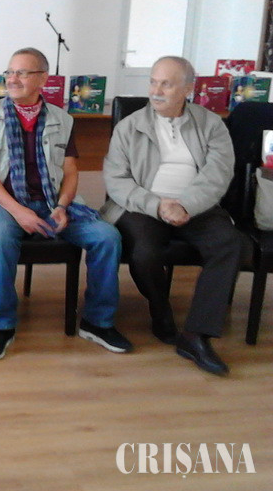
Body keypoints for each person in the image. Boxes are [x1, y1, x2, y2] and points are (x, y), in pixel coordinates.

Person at [0, 48, 133, 360]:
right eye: (10, 72)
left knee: (107, 237)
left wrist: (62, 206)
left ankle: (98, 322)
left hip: (52, 202)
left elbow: (71, 172)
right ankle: (3, 324)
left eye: (22, 73)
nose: (12, 79)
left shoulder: (62, 119)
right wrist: (19, 212)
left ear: (43, 79)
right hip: (3, 204)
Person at [101, 56, 242, 376]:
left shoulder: (211, 124)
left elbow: (219, 174)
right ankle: (160, 308)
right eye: (153, 82)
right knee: (145, 252)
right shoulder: (129, 127)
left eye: (166, 84)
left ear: (188, 89)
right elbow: (117, 180)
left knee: (229, 244)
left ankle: (196, 335)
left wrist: (186, 205)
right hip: (143, 206)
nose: (156, 90)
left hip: (198, 206)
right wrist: (157, 205)